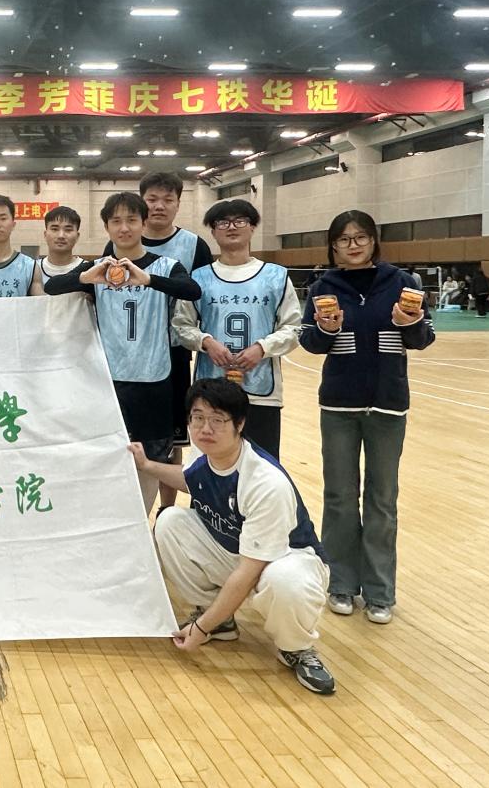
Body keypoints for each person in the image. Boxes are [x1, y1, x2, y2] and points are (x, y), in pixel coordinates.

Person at [137, 379, 335, 696]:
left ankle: (297, 648)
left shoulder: (265, 482)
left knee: (286, 582)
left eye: (217, 420)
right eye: (198, 418)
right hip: (241, 553)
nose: (206, 428)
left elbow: (249, 572)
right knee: (169, 522)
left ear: (239, 424)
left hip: (289, 559)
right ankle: (220, 620)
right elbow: (189, 479)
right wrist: (147, 465)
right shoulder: (207, 457)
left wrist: (200, 629)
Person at [301, 210, 435, 625]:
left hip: (389, 404)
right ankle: (341, 583)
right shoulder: (323, 287)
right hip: (339, 405)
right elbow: (310, 343)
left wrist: (409, 323)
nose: (353, 245)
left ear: (374, 241)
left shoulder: (403, 283)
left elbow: (423, 338)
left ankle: (379, 592)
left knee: (382, 499)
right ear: (333, 246)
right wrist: (326, 329)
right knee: (339, 497)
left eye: (360, 237)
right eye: (344, 239)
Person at [45, 192, 201, 513]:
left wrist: (149, 279)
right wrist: (85, 277)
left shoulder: (166, 266)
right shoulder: (98, 268)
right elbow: (51, 287)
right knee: (108, 456)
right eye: (116, 221)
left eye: (131, 220)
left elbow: (192, 290)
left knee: (152, 459)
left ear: (144, 223)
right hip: (109, 382)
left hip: (154, 380)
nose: (124, 228)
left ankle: (144, 522)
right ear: (106, 227)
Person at [108, 172, 214, 513]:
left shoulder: (193, 246)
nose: (159, 206)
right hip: (127, 355)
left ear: (178, 204)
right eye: (152, 199)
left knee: (172, 439)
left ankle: (166, 510)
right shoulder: (118, 244)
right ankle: (128, 509)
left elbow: (199, 293)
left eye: (168, 200)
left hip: (172, 351)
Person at [172, 199, 300, 459]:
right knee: (208, 467)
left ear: (252, 227)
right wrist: (206, 342)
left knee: (261, 466)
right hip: (210, 393)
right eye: (223, 222)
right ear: (213, 231)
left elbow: (293, 328)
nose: (231, 227)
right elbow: (181, 326)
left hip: (262, 394)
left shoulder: (276, 276)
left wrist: (262, 348)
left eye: (240, 221)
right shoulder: (199, 278)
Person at [38, 206, 84, 287]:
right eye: (55, 229)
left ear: (77, 236)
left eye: (68, 230)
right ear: (45, 235)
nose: (61, 236)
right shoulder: (32, 269)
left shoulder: (89, 270)